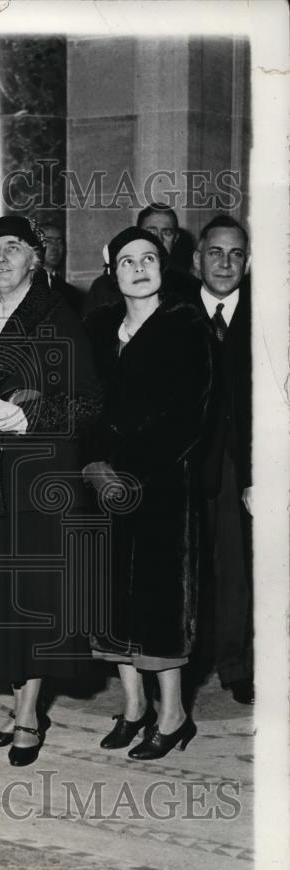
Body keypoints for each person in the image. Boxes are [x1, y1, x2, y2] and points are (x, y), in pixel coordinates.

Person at [0, 216, 102, 766]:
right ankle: (18, 706)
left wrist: (26, 416)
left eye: (14, 248)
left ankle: (30, 714)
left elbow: (85, 401)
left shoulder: (58, 315)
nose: (2, 258)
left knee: (32, 596)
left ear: (37, 258)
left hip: (39, 480)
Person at [83, 226, 212, 759]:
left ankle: (174, 714)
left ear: (164, 266)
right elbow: (81, 403)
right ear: (112, 271)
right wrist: (93, 465)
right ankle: (133, 707)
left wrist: (132, 470)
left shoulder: (186, 326)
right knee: (111, 596)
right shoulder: (96, 329)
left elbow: (192, 415)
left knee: (161, 599)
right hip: (103, 485)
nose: (139, 268)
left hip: (161, 485)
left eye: (149, 258)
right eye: (127, 261)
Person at [194, 216, 253, 704]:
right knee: (185, 563)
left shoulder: (268, 315)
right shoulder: (173, 312)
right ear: (198, 259)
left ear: (247, 261)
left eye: (235, 254)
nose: (225, 263)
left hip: (238, 464)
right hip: (185, 462)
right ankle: (183, 661)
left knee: (234, 565)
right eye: (216, 252)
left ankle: (236, 664)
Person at [83, 203, 200, 316]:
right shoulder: (104, 286)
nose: (159, 238)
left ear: (175, 238)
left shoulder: (189, 286)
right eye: (151, 231)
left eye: (167, 232)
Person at [39, 221, 84, 314]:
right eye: (48, 241)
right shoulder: (20, 286)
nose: (55, 247)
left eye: (59, 242)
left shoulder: (71, 293)